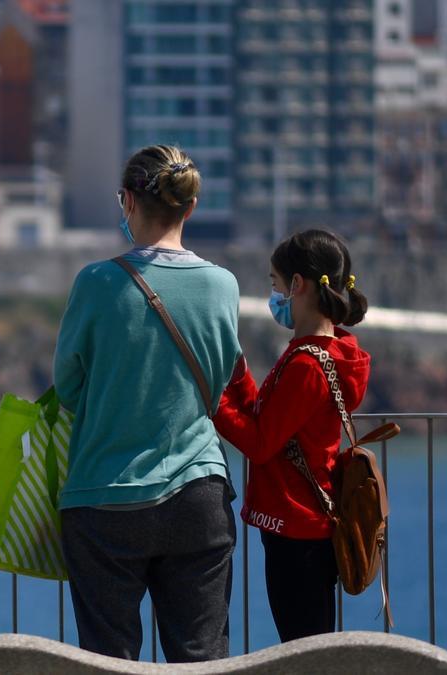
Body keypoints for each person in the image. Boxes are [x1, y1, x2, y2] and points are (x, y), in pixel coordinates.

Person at [53, 145, 242, 662]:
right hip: (198, 490)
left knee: (109, 659)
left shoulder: (96, 282)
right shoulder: (222, 285)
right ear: (191, 206)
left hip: (105, 494)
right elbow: (222, 379)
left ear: (127, 201)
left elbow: (67, 386)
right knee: (201, 658)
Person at [211, 229, 370, 643]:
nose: (275, 296)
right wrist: (240, 378)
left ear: (297, 285)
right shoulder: (324, 352)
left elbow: (262, 443)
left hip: (295, 524)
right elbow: (272, 418)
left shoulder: (306, 364)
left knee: (302, 649)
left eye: (275, 284)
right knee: (308, 642)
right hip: (306, 524)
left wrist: (213, 404)